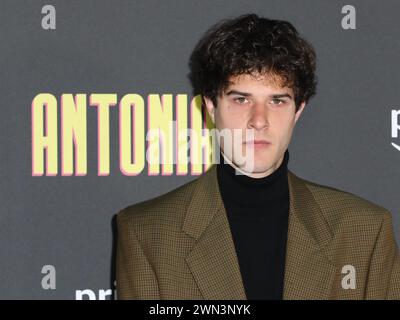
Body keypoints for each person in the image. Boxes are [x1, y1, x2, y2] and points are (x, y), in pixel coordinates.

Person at [116, 13, 400, 299]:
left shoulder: (364, 232)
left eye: (277, 101)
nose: (259, 120)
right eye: (241, 99)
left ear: (298, 110)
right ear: (211, 107)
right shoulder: (147, 234)